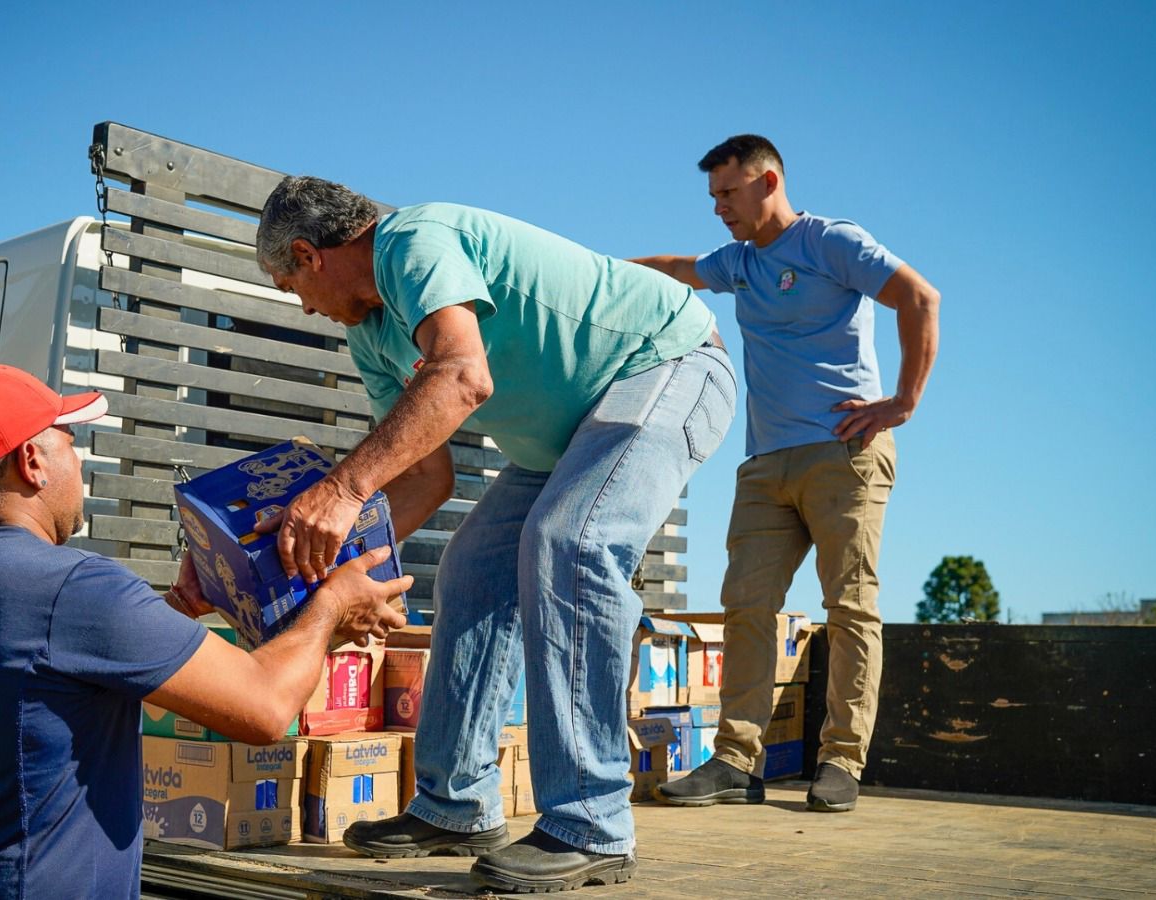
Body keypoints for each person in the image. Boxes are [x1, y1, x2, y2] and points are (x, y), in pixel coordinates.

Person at [238, 176, 734, 892]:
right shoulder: (373, 336)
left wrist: (342, 489)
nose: (307, 308)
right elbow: (422, 479)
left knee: (571, 545)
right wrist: (333, 573)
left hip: (667, 365)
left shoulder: (413, 242)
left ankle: (591, 825)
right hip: (572, 434)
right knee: (471, 568)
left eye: (293, 288)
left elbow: (462, 377)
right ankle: (455, 803)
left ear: (312, 255)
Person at [0, 364, 409, 899]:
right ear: (32, 462)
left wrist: (180, 606)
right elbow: (266, 707)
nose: (78, 460)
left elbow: (62, 684)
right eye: (70, 441)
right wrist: (331, 605)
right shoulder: (74, 587)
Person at [632, 134, 940, 813]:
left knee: (850, 606)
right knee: (746, 605)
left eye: (728, 194)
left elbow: (920, 298)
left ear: (767, 182)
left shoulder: (831, 243)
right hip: (764, 465)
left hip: (843, 452)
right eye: (712, 196)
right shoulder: (740, 263)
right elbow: (677, 268)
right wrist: (596, 270)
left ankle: (841, 764)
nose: (718, 208)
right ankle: (737, 763)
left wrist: (903, 403)